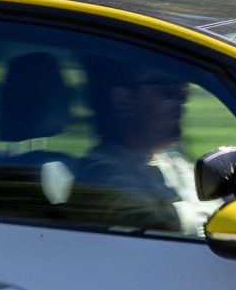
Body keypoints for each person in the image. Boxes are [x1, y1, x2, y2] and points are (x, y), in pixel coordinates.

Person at [72, 51, 208, 235]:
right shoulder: (106, 180)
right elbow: (166, 236)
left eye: (182, 85)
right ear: (123, 100)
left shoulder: (171, 158)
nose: (182, 97)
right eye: (167, 87)